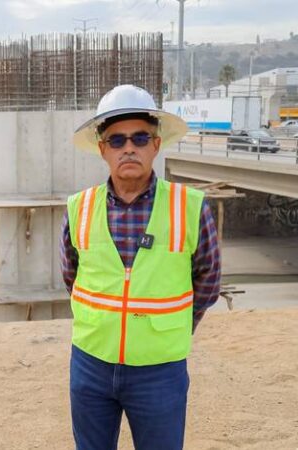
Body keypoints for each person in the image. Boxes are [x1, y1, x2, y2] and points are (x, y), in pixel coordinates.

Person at [61, 85, 221, 450]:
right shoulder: (79, 207)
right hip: (90, 364)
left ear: (156, 144)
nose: (128, 147)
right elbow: (71, 276)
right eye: (116, 140)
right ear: (103, 150)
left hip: (160, 369)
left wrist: (172, 326)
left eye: (139, 137)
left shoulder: (190, 206)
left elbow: (208, 281)